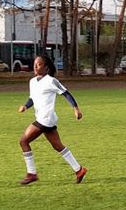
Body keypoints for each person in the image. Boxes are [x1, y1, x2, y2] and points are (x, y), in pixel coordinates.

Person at [17, 54, 87, 185]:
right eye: (34, 64)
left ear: (46, 67)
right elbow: (33, 98)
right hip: (45, 119)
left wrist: (76, 109)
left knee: (23, 141)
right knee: (57, 146)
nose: (35, 67)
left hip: (45, 119)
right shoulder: (32, 82)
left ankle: (31, 174)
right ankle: (79, 170)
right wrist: (25, 106)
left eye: (39, 64)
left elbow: (66, 93)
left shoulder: (51, 81)